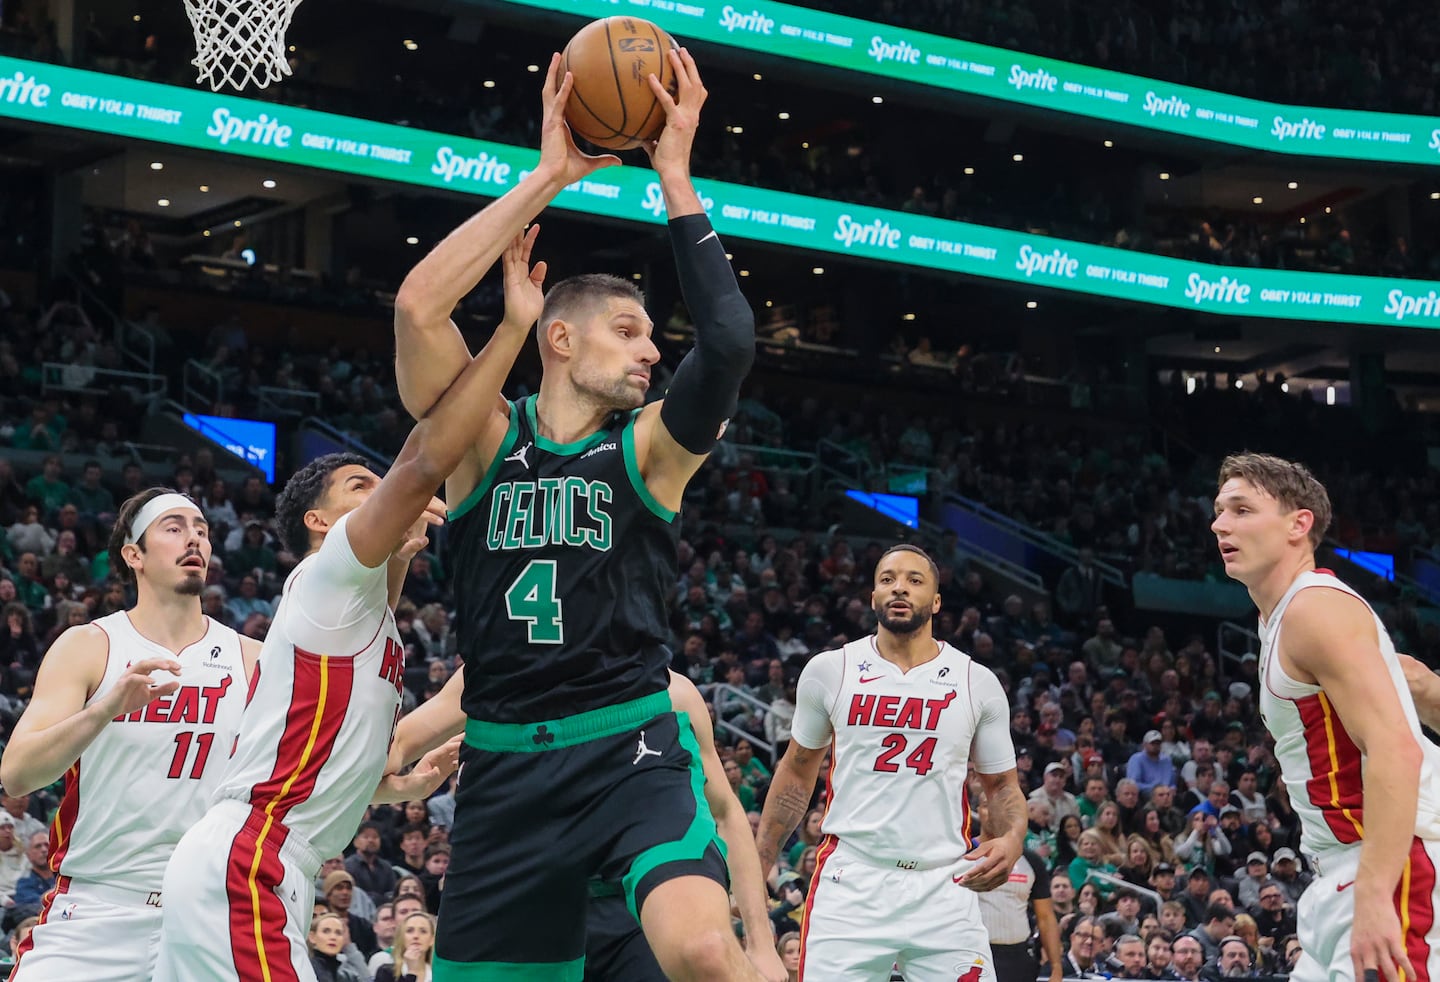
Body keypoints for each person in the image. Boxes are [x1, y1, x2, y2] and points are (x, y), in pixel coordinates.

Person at [393, 50, 767, 981]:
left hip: (629, 743)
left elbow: (726, 341)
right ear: (559, 339)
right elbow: (417, 306)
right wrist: (548, 176)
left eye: (650, 335)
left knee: (701, 952)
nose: (651, 352)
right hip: (505, 766)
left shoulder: (648, 450)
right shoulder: (481, 437)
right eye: (629, 331)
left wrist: (674, 173)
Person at [151, 232, 521, 979]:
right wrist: (512, 331)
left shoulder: (368, 622)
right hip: (250, 858)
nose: (378, 492)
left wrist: (394, 788)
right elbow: (422, 460)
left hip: (269, 860)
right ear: (322, 523)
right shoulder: (322, 578)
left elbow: (329, 754)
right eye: (359, 486)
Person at [2, 488, 258, 981]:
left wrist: (394, 786)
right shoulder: (89, 645)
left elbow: (297, 768)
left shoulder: (252, 657)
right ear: (133, 555)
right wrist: (109, 706)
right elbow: (17, 774)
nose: (195, 539)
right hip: (98, 908)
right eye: (175, 526)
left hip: (206, 914)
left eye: (202, 529)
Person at [1214, 452, 1440, 982]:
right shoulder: (1287, 616)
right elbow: (1408, 680)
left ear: (1299, 524)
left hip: (1390, 860)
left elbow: (1396, 749)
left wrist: (1377, 893)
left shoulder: (1315, 610)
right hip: (1339, 868)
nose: (1220, 523)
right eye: (1220, 510)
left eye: (1242, 509)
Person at [756, 545, 1026, 980]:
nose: (899, 587)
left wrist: (1013, 839)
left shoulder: (977, 681)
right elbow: (796, 772)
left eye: (915, 580)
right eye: (888, 579)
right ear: (873, 596)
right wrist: (759, 865)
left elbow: (1003, 787)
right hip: (852, 883)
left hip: (945, 887)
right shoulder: (831, 670)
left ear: (936, 601)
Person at [584, 672, 787, 981]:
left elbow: (725, 811)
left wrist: (761, 944)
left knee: (707, 951)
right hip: (550, 901)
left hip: (645, 903)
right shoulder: (507, 691)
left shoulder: (675, 691)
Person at [975, 841, 1062, 982]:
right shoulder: (966, 857)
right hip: (977, 953)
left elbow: (1046, 917)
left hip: (1018, 955)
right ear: (982, 817)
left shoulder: (1030, 860)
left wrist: (1056, 967)